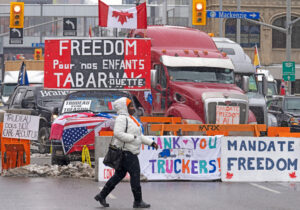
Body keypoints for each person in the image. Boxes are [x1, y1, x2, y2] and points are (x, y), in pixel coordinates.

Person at [95, 97, 158, 208]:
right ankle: (138, 201)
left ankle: (102, 195)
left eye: (132, 106)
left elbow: (139, 136)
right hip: (127, 152)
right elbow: (118, 133)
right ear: (125, 108)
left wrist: (151, 143)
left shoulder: (130, 119)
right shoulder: (122, 118)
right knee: (135, 175)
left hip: (127, 152)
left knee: (119, 175)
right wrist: (132, 138)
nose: (133, 108)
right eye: (131, 106)